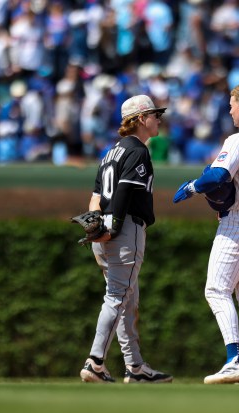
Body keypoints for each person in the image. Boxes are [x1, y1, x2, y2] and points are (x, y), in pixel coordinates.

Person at [172, 83, 239, 384]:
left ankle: (234, 359)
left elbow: (219, 176)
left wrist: (193, 186)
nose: (231, 110)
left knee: (216, 290)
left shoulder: (238, 139)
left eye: (233, 105)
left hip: (238, 223)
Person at [79, 94, 173, 384]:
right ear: (141, 118)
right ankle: (95, 362)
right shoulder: (137, 151)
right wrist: (115, 226)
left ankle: (135, 367)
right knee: (118, 298)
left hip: (104, 232)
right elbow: (123, 192)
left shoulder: (110, 153)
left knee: (127, 301)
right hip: (124, 229)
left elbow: (95, 198)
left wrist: (97, 228)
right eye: (154, 114)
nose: (159, 118)